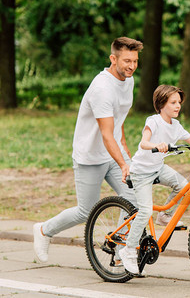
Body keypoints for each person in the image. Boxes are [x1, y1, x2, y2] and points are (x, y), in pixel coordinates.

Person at [33, 37, 143, 263]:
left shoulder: (128, 81)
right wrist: (123, 163)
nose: (131, 66)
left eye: (135, 61)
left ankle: (120, 246)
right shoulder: (102, 88)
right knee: (86, 211)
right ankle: (44, 230)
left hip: (112, 153)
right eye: (126, 61)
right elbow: (105, 133)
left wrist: (125, 152)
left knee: (134, 199)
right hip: (90, 156)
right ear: (113, 59)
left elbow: (118, 118)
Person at [119, 85, 190, 274]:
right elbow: (143, 143)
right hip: (141, 171)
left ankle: (164, 216)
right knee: (144, 211)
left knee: (184, 187)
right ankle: (128, 250)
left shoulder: (175, 126)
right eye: (173, 103)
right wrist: (157, 145)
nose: (178, 106)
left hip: (158, 168)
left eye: (179, 103)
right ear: (161, 104)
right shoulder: (153, 121)